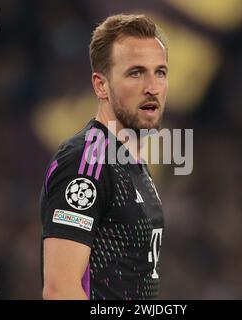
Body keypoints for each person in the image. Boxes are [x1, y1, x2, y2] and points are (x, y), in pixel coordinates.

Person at [40, 14, 168, 300]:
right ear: (101, 86)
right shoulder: (87, 161)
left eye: (160, 72)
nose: (152, 86)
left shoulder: (130, 163)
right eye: (136, 72)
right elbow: (60, 289)